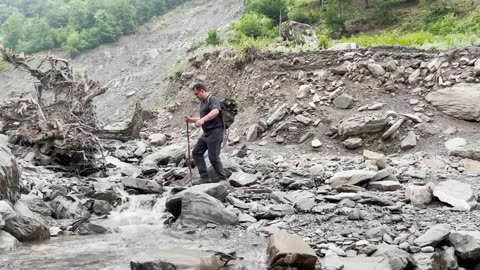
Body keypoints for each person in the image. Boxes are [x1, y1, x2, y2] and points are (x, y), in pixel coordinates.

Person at [185, 83, 230, 184]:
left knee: (213, 157)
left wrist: (203, 120)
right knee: (196, 152)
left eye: (196, 94)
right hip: (207, 133)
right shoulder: (203, 103)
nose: (196, 96)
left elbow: (215, 112)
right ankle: (204, 177)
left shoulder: (212, 99)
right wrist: (191, 120)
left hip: (216, 132)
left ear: (202, 91)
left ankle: (223, 179)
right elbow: (202, 117)